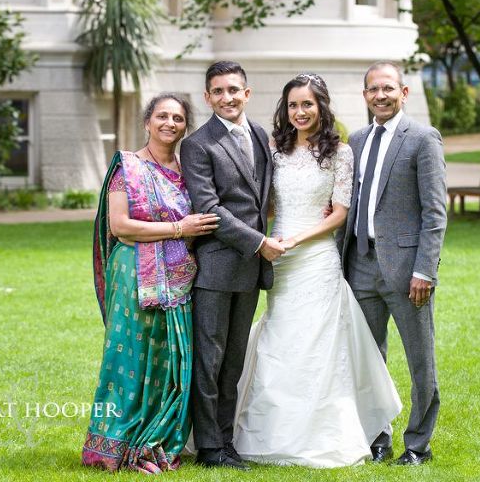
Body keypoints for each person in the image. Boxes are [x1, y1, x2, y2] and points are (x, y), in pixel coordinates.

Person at [232, 73, 402, 468]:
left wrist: (295, 240)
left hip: (315, 257)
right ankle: (269, 429)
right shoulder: (274, 151)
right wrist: (269, 238)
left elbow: (339, 214)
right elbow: (268, 206)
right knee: (281, 335)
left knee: (321, 343)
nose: (300, 111)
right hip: (278, 256)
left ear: (321, 106)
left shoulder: (340, 153)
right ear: (284, 109)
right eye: (293, 105)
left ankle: (327, 430)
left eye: (307, 104)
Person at [82, 94, 220, 474]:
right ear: (148, 122)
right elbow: (120, 225)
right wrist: (179, 228)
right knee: (130, 354)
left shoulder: (189, 169)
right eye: (162, 116)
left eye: (178, 118)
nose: (170, 123)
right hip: (133, 276)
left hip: (178, 277)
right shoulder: (128, 166)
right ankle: (115, 444)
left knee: (172, 360)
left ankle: (155, 442)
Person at [338, 61, 447, 466]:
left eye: (388, 88)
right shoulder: (358, 140)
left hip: (407, 272)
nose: (380, 95)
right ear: (365, 96)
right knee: (369, 359)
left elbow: (435, 212)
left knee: (421, 359)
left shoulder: (422, 138)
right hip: (361, 264)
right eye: (372, 90)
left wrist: (425, 270)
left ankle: (418, 444)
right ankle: (377, 438)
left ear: (403, 93)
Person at [179, 61, 284, 471]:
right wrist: (260, 243)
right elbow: (209, 209)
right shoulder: (198, 145)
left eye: (234, 90)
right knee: (210, 359)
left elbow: (263, 198)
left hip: (250, 273)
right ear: (208, 97)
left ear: (247, 93)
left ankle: (226, 441)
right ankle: (208, 447)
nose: (227, 97)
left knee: (234, 361)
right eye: (219, 91)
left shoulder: (259, 135)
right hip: (217, 268)